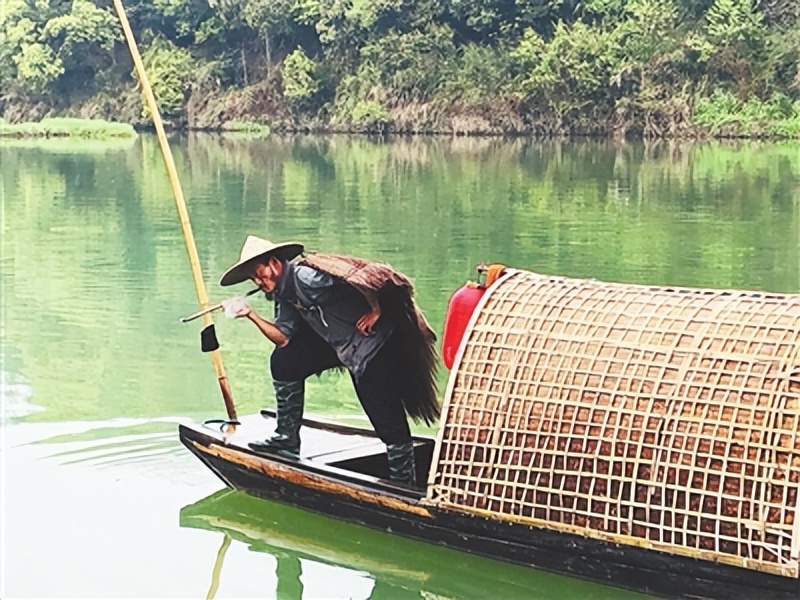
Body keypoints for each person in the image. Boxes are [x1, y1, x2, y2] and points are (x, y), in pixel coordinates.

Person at [218, 235, 439, 485]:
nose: (259, 281)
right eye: (253, 279)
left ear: (274, 263)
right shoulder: (285, 293)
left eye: (259, 273)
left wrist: (375, 310)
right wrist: (250, 315)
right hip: (340, 345)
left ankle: (404, 483)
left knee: (386, 421)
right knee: (285, 361)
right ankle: (286, 440)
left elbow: (368, 280)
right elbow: (283, 339)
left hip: (373, 344)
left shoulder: (307, 277)